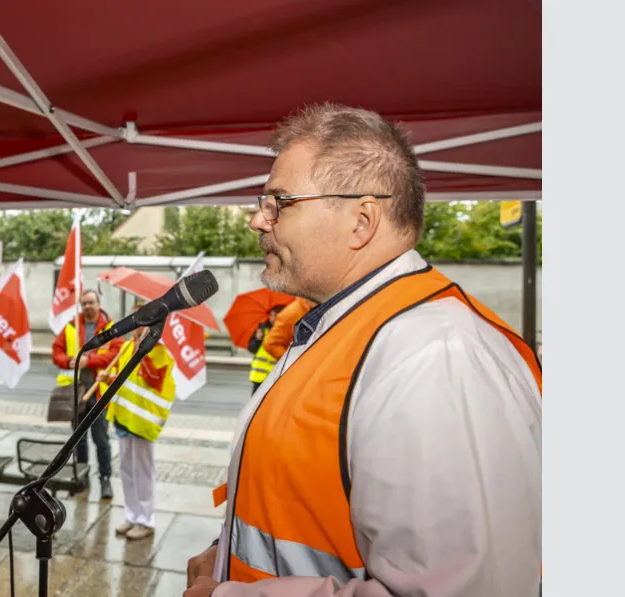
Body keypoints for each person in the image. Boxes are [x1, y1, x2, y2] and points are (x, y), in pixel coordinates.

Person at [184, 104, 541, 597]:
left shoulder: (436, 358)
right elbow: (304, 508)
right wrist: (225, 554)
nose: (256, 221)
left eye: (278, 203)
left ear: (362, 220)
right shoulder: (349, 325)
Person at [100, 300, 176, 540]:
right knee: (127, 471)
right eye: (134, 320)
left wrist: (144, 347)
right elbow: (127, 380)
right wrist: (108, 377)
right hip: (124, 419)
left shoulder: (156, 349)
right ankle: (132, 515)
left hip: (142, 422)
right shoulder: (129, 346)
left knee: (142, 473)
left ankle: (146, 519)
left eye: (140, 320)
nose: (135, 325)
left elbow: (153, 378)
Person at [51, 289, 122, 500]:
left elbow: (115, 354)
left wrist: (88, 361)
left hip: (99, 393)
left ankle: (105, 480)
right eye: (84, 303)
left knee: (101, 439)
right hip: (77, 391)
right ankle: (81, 478)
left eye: (91, 302)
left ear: (99, 304)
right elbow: (57, 351)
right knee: (78, 439)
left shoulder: (111, 328)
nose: (87, 306)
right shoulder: (72, 325)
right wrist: (68, 361)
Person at [246, 305, 286, 395]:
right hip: (259, 377)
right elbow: (251, 348)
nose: (273, 318)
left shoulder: (285, 332)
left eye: (276, 315)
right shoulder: (262, 330)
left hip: (276, 377)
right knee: (256, 407)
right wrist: (257, 339)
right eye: (271, 315)